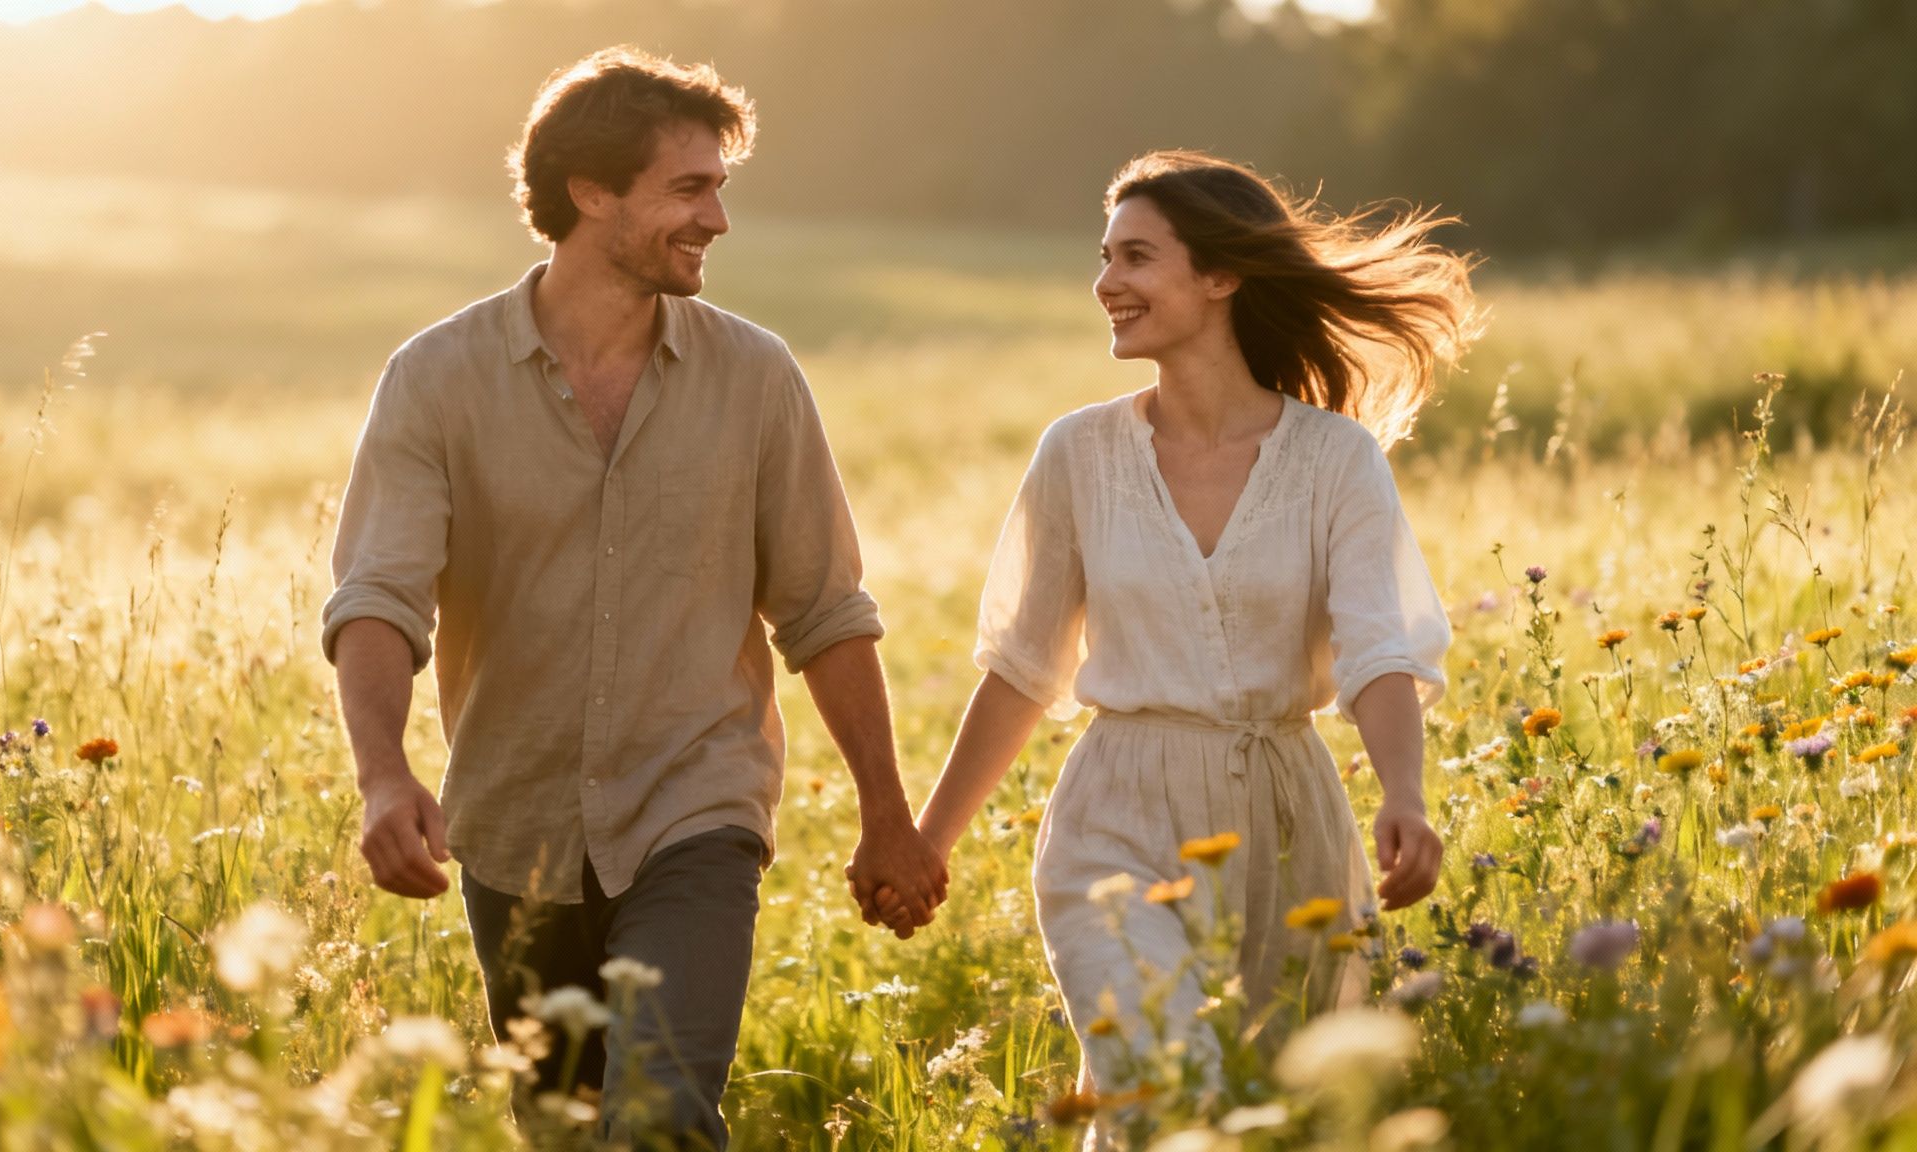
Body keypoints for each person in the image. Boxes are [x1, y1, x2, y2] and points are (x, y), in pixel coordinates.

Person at [321, 46, 946, 1148]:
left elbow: (824, 611)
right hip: (512, 826)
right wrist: (382, 776)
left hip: (696, 811)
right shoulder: (437, 377)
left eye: (719, 189)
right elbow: (378, 594)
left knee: (658, 1112)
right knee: (563, 1128)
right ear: (591, 192)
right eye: (688, 188)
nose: (717, 219)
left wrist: (886, 817)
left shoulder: (755, 378)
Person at [862, 150, 1476, 1117]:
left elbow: (1378, 648)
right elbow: (1022, 668)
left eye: (1137, 257)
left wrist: (1405, 792)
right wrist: (926, 844)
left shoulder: (1335, 460)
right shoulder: (1079, 452)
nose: (1106, 283)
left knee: (1271, 1112)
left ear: (1221, 275)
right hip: (1117, 818)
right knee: (1160, 1087)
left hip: (1285, 822)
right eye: (1104, 258)